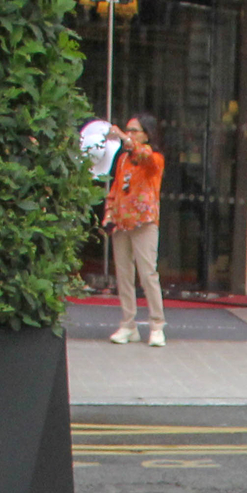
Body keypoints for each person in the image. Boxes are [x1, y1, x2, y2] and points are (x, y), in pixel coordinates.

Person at [102, 114, 167, 347]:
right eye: (127, 130)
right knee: (124, 275)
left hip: (144, 221)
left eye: (134, 130)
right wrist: (109, 215)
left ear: (146, 134)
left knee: (148, 273)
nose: (129, 134)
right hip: (122, 221)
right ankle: (128, 324)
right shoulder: (122, 160)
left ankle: (157, 324)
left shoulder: (154, 158)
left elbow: (145, 155)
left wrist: (122, 137)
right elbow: (116, 188)